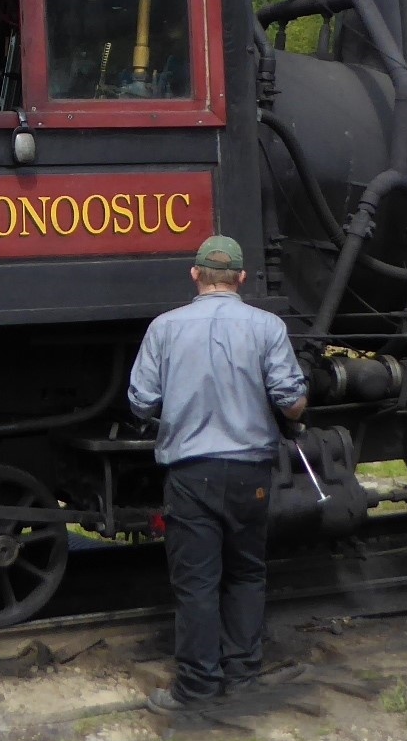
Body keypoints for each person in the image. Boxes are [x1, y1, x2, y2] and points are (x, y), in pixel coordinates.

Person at [126, 235, 307, 713]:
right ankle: (243, 674)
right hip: (252, 473)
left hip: (191, 473)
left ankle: (198, 687)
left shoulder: (164, 329)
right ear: (242, 278)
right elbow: (292, 403)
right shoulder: (267, 327)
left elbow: (141, 401)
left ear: (195, 274)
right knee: (247, 573)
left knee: (197, 583)